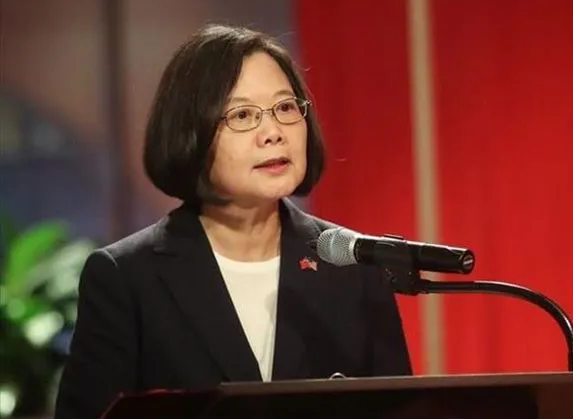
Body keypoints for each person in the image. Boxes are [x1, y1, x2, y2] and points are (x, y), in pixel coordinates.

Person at [53, 24, 412, 419]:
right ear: (190, 134)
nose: (273, 133)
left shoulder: (354, 264)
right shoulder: (126, 279)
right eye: (243, 115)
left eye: (285, 108)